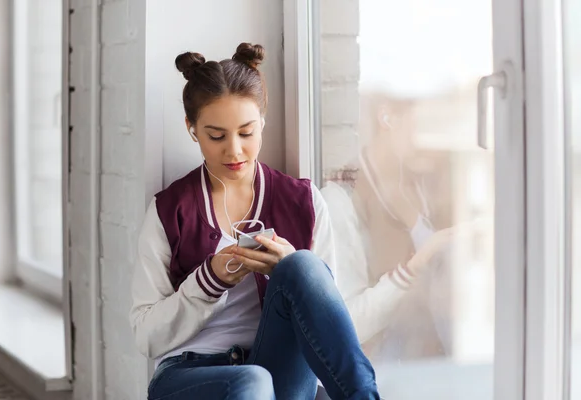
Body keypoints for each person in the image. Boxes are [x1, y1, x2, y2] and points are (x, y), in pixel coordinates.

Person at [129, 43, 381, 400]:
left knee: (302, 266)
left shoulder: (304, 202)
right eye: (216, 136)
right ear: (192, 128)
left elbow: (329, 325)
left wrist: (286, 268)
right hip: (188, 375)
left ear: (262, 120)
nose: (233, 150)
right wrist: (209, 279)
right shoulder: (169, 210)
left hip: (277, 369)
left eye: (246, 133)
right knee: (251, 382)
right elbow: (145, 336)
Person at [322, 92, 458, 366]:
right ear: (387, 117)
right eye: (426, 119)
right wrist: (417, 264)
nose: (436, 135)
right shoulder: (342, 201)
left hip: (441, 357)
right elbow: (352, 326)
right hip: (388, 370)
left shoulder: (427, 185)